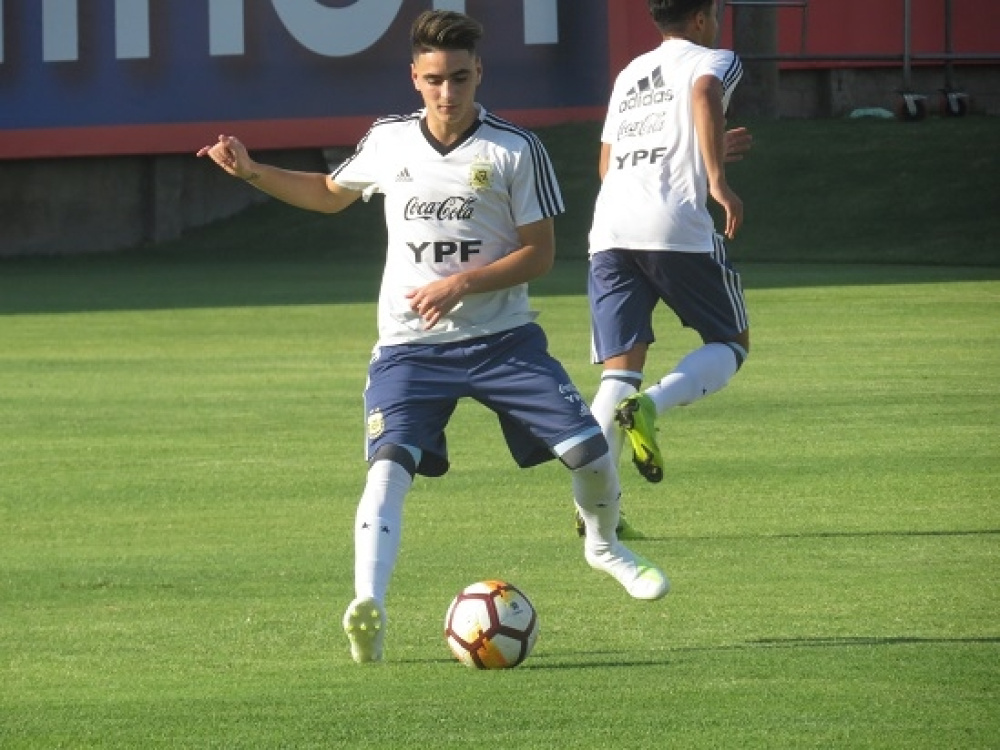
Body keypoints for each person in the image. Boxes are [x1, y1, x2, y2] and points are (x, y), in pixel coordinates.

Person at [198, 10, 668, 664]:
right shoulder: (389, 141)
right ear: (415, 78)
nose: (449, 92)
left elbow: (539, 254)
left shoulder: (513, 150)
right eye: (436, 80)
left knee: (590, 453)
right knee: (387, 469)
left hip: (503, 340)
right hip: (409, 348)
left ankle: (603, 545)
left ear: (480, 74)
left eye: (461, 78)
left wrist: (460, 284)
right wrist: (251, 171)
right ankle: (368, 608)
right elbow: (331, 193)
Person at [586, 0, 751, 489]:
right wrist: (717, 180)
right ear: (701, 18)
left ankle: (595, 513)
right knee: (730, 342)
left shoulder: (629, 73)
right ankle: (651, 406)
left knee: (617, 376)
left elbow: (606, 165)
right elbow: (704, 91)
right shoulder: (715, 58)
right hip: (672, 225)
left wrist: (699, 153)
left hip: (610, 228)